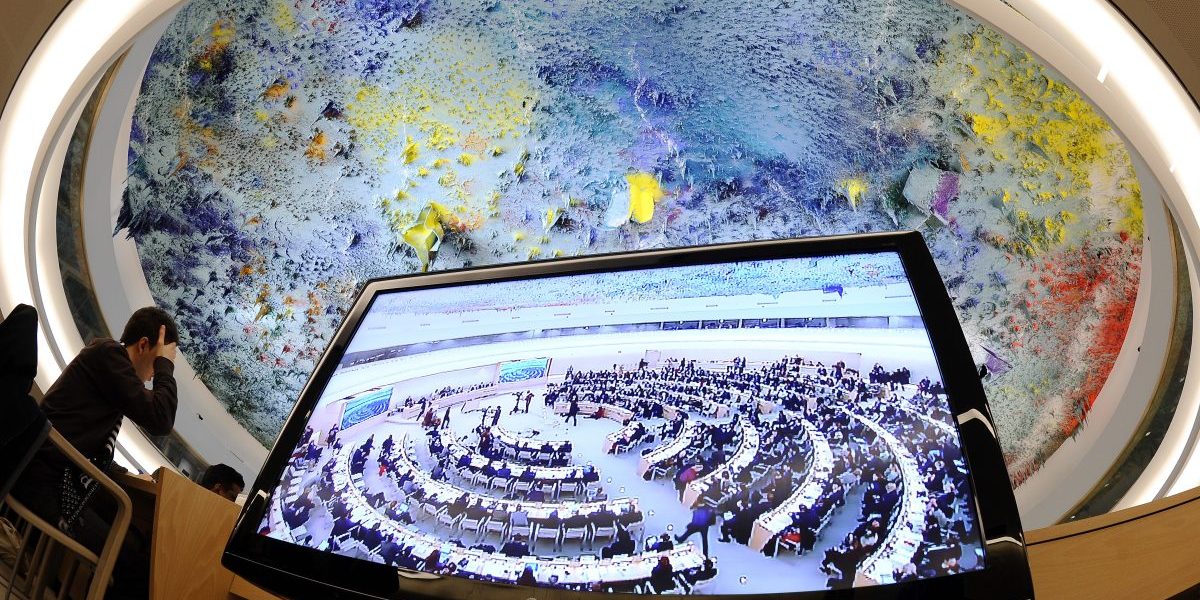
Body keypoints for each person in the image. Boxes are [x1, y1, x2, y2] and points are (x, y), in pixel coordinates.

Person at [11, 307, 178, 599]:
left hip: (51, 475)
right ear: (143, 345)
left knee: (138, 540)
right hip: (45, 483)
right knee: (131, 559)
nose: (153, 376)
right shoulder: (109, 355)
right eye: (156, 362)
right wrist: (166, 365)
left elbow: (83, 432)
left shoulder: (108, 364)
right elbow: (160, 418)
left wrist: (115, 469)